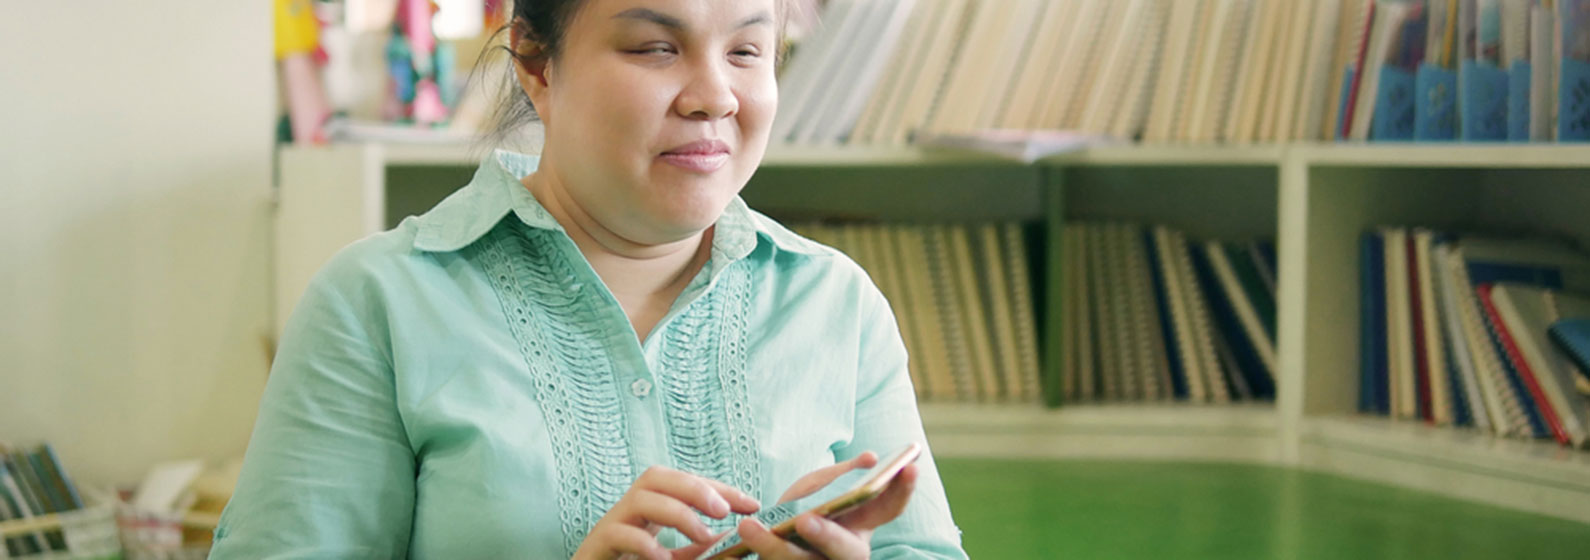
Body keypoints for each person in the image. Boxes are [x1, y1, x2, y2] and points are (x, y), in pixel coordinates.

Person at [210, 0, 968, 558]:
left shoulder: (836, 303)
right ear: (536, 63)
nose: (714, 95)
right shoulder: (376, 305)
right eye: (654, 48)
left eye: (746, 51)